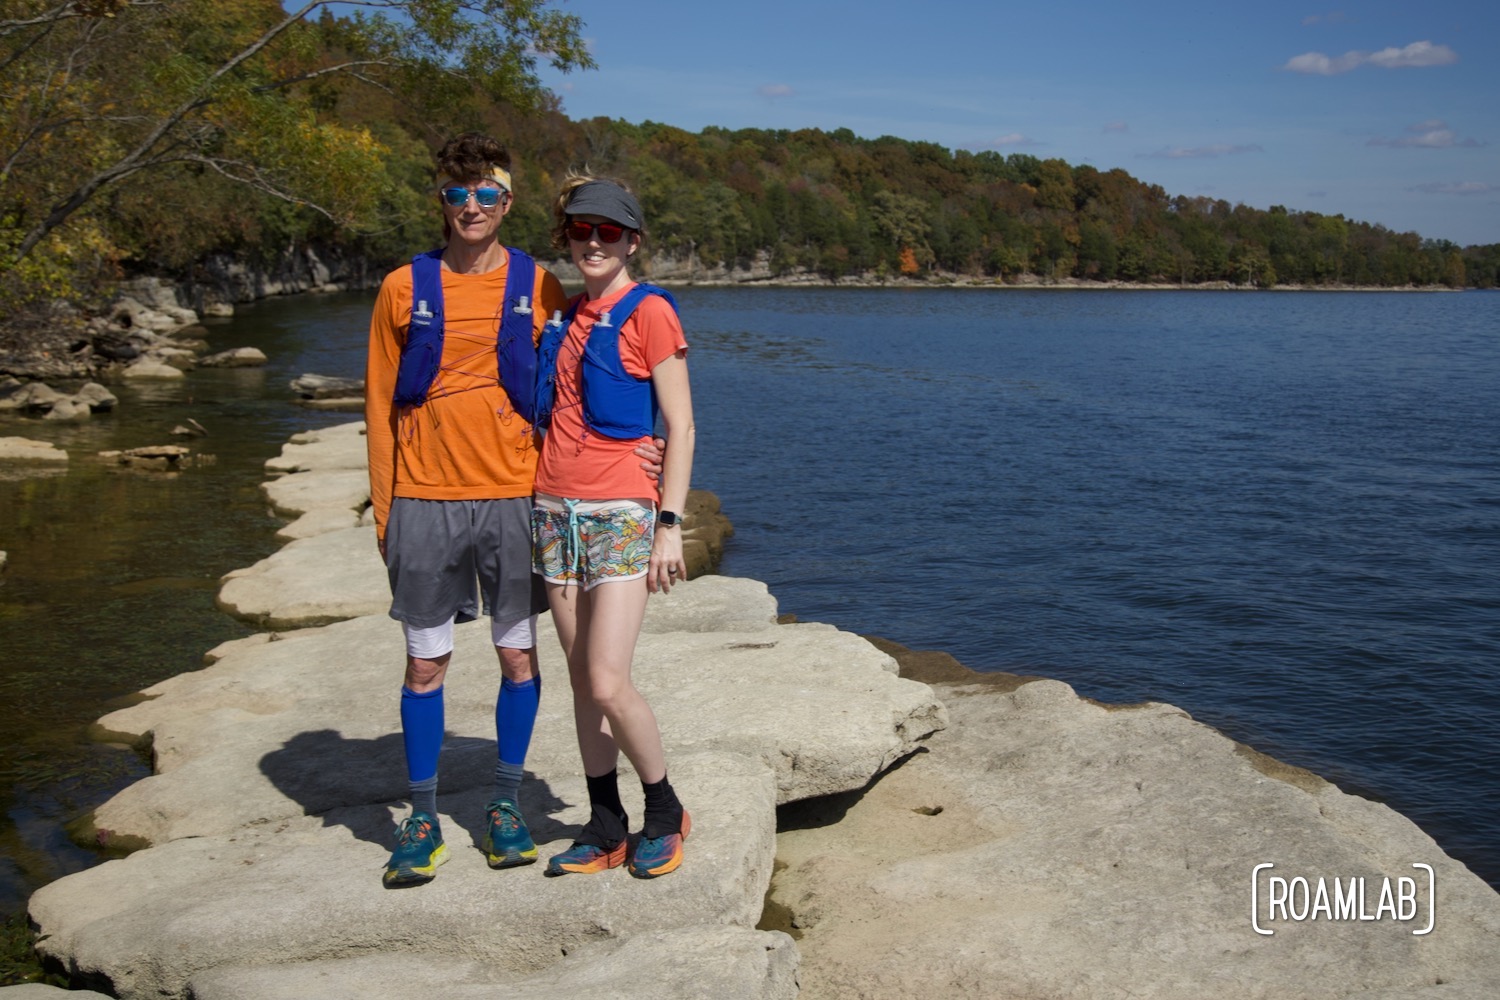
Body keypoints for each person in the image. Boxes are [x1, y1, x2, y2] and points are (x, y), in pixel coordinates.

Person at [364, 132, 567, 888]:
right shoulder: (399, 288)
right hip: (424, 499)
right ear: (441, 204)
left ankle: (506, 804)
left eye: (487, 194)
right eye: (459, 194)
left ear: (507, 203)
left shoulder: (539, 284)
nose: (472, 207)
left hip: (516, 498)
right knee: (425, 665)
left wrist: (643, 448)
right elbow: (379, 403)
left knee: (517, 656)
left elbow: (576, 385)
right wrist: (387, 515)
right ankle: (421, 818)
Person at [531, 176, 695, 879]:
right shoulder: (563, 317)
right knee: (578, 681)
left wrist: (670, 525)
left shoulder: (650, 311)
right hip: (552, 512)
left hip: (619, 511)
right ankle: (606, 824)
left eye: (607, 231)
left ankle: (665, 809)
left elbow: (681, 426)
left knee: (605, 679)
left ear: (632, 239)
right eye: (579, 229)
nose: (592, 242)